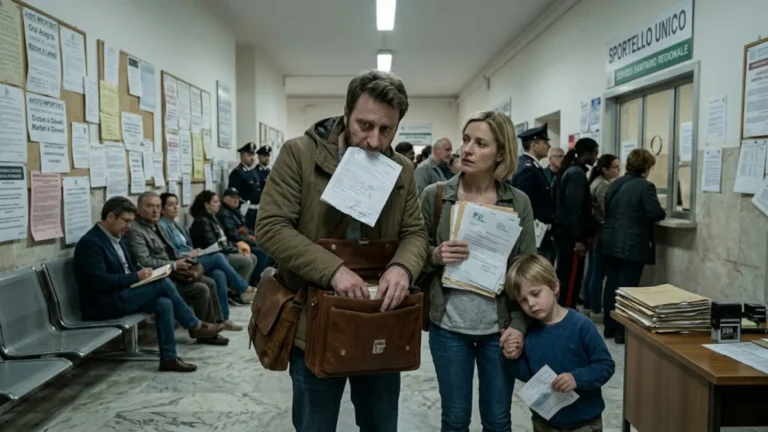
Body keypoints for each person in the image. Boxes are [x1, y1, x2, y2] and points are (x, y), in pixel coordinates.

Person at [254, 70, 428, 432]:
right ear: (346, 113)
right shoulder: (299, 155)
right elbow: (270, 227)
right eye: (365, 125)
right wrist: (333, 270)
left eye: (387, 130)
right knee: (315, 423)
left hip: (379, 316)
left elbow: (415, 233)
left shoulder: (402, 170)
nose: (374, 141)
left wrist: (402, 268)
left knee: (381, 422)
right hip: (312, 317)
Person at [420, 110, 537, 431]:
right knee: (455, 419)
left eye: (480, 143)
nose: (467, 149)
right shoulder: (436, 197)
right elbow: (412, 255)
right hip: (448, 326)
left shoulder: (518, 202)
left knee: (498, 420)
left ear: (501, 152)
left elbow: (526, 267)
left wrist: (519, 325)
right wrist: (435, 255)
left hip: (498, 329)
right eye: (466, 140)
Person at [74, 197, 223, 372]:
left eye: (131, 221)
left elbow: (129, 266)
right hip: (104, 302)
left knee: (164, 303)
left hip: (124, 293)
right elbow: (98, 282)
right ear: (111, 217)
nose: (129, 226)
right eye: (126, 221)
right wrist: (136, 277)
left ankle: (169, 358)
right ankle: (194, 325)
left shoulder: (117, 237)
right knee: (163, 284)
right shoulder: (91, 243)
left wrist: (145, 273)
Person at [503, 254, 615, 432]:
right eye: (523, 300)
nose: (531, 303)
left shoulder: (581, 325)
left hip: (584, 423)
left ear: (554, 286)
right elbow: (527, 375)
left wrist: (576, 378)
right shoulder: (529, 332)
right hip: (544, 423)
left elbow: (605, 366)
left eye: (535, 293)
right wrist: (512, 357)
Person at [124, 192, 229, 346]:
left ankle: (214, 327)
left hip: (173, 272)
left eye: (158, 206)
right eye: (150, 206)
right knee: (201, 288)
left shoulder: (159, 225)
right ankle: (201, 331)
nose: (155, 210)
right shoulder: (135, 230)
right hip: (159, 278)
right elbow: (144, 261)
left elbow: (172, 250)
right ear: (139, 209)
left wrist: (183, 258)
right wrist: (174, 264)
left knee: (211, 282)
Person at [158, 192, 255, 326]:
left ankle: (222, 319)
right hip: (181, 262)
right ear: (162, 209)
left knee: (219, 274)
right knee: (218, 257)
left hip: (193, 258)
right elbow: (171, 252)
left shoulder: (178, 225)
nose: (175, 207)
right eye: (170, 205)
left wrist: (196, 251)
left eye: (176, 204)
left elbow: (189, 244)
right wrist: (189, 253)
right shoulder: (162, 226)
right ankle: (242, 287)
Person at [601, 149, 666, 344]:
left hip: (610, 243)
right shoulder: (646, 187)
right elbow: (654, 212)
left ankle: (609, 327)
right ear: (646, 167)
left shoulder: (615, 183)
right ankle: (623, 331)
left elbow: (607, 208)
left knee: (611, 285)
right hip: (632, 245)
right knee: (627, 289)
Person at [552, 138, 599, 309]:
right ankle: (567, 312)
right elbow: (575, 210)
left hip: (565, 234)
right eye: (595, 153)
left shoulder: (570, 170)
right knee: (571, 279)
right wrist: (579, 239)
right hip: (571, 238)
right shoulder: (576, 175)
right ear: (586, 153)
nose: (596, 158)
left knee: (565, 276)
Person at [188, 190, 259, 299]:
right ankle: (239, 290)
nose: (219, 204)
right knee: (246, 261)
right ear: (207, 205)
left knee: (252, 257)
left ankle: (239, 292)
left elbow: (224, 239)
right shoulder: (202, 221)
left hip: (223, 251)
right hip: (216, 254)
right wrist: (235, 250)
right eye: (215, 202)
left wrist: (236, 246)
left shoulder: (213, 218)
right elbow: (214, 245)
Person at [511, 123, 556, 263]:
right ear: (534, 145)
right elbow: (523, 202)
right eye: (544, 142)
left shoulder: (532, 166)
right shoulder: (528, 169)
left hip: (540, 231)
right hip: (535, 232)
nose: (548, 146)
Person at [582, 154, 620, 323]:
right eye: (615, 167)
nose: (618, 171)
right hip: (601, 231)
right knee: (598, 272)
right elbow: (605, 210)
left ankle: (590, 305)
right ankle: (596, 308)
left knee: (592, 271)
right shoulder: (603, 185)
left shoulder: (595, 181)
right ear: (605, 169)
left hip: (595, 232)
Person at [216, 187, 273, 285]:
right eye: (233, 197)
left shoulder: (235, 211)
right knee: (261, 251)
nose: (236, 200)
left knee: (269, 246)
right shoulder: (224, 213)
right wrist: (250, 239)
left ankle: (260, 278)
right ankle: (253, 281)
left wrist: (253, 236)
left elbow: (244, 228)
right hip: (236, 243)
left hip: (243, 240)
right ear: (225, 198)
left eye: (237, 197)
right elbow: (233, 234)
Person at [228, 142, 263, 232]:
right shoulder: (237, 173)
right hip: (246, 212)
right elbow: (233, 196)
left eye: (253, 155)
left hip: (257, 211)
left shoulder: (253, 172)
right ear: (242, 156)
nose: (252, 158)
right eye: (249, 155)